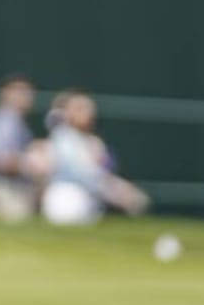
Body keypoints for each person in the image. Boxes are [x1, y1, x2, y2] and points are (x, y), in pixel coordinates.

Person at [41, 91, 147, 226]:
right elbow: (82, 175)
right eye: (80, 108)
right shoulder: (63, 138)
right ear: (67, 112)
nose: (87, 113)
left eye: (89, 109)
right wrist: (119, 191)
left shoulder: (92, 142)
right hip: (66, 198)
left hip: (89, 200)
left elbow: (106, 170)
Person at [0, 75, 38, 223]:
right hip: (6, 190)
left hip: (17, 188)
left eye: (27, 92)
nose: (26, 97)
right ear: (6, 94)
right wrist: (31, 162)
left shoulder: (17, 120)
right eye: (20, 92)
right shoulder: (5, 119)